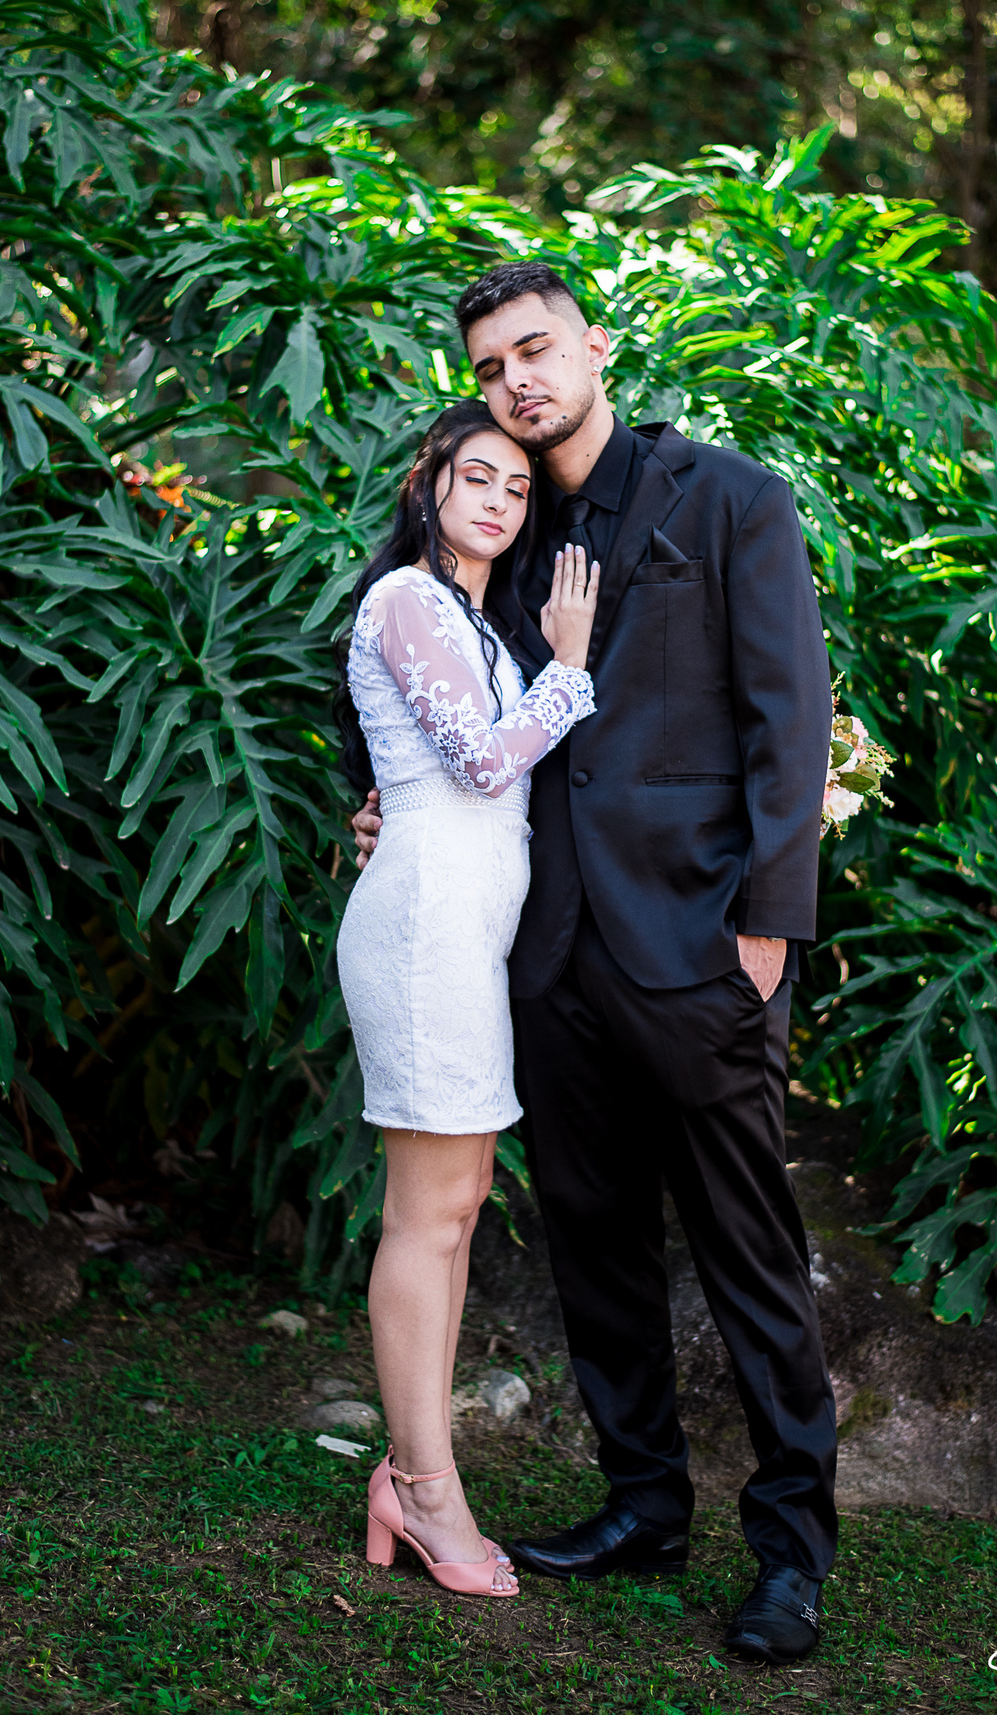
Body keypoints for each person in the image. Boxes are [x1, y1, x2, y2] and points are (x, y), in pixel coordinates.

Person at [352, 264, 837, 1664]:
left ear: (593, 348)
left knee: (750, 1250)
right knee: (594, 1243)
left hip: (698, 944)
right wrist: (371, 804)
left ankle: (790, 1550)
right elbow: (416, 686)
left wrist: (767, 924)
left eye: (535, 349)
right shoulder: (498, 521)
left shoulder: (729, 497)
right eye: (490, 366)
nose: (516, 380)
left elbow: (789, 713)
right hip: (544, 949)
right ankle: (643, 1504)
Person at [334, 399, 599, 1599]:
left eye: (517, 488)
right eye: (477, 475)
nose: (498, 500)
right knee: (426, 1213)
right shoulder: (405, 598)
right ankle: (427, 1490)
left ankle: (412, 1468)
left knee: (460, 1199)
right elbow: (484, 763)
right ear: (430, 480)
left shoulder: (473, 622)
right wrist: (572, 665)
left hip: (466, 928)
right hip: (425, 931)